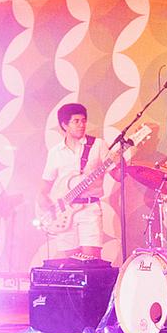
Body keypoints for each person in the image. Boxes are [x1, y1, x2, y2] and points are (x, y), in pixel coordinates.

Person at [36, 103, 109, 260]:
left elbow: (117, 175)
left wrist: (121, 160)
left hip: (90, 209)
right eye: (76, 121)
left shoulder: (97, 145)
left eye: (83, 120)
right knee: (71, 265)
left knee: (92, 263)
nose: (81, 125)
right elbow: (44, 188)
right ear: (64, 125)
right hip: (64, 212)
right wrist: (48, 207)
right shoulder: (55, 152)